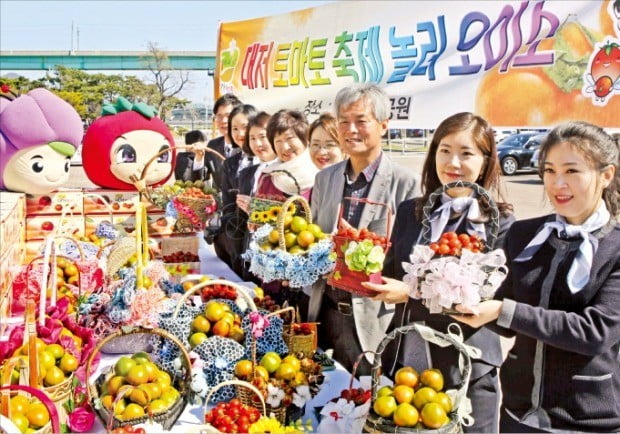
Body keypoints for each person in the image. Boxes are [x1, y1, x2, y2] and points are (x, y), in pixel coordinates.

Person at [450, 121, 619, 433]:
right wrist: (461, 296)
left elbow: (595, 332)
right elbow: (505, 307)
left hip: (586, 420)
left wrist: (504, 311)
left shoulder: (615, 248)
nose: (557, 183)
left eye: (572, 171)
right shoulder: (525, 235)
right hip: (519, 414)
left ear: (606, 175)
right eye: (550, 170)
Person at [363, 112, 515, 433]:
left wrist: (411, 291)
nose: (453, 162)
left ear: (486, 161)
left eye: (466, 153)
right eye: (444, 150)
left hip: (466, 365)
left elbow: (484, 297)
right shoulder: (412, 211)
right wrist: (362, 267)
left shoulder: (500, 223)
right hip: (406, 358)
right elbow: (393, 272)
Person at [306, 83, 418, 375]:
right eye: (344, 121)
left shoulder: (406, 184)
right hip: (326, 312)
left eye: (361, 121)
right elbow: (314, 239)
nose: (350, 129)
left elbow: (412, 261)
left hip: (375, 322)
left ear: (383, 125)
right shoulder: (326, 179)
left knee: (366, 406)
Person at [232, 112, 277, 278]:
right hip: (250, 251)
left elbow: (292, 212)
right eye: (252, 138)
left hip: (275, 256)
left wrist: (257, 209)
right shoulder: (247, 173)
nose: (257, 143)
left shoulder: (286, 172)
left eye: (262, 136)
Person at [213, 104, 257, 267]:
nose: (240, 134)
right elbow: (228, 204)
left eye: (244, 128)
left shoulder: (267, 162)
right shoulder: (231, 163)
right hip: (237, 240)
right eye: (235, 129)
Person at [256, 109, 318, 201]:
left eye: (289, 138)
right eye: (278, 141)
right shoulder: (267, 178)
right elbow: (260, 213)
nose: (285, 147)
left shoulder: (321, 173)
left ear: (305, 138)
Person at [206, 94, 241, 188]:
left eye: (228, 116)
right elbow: (202, 176)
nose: (223, 121)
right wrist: (198, 158)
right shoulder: (212, 145)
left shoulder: (249, 147)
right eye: (219, 116)